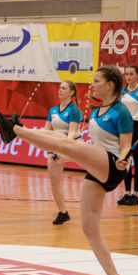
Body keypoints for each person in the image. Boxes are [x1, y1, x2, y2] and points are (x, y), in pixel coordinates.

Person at [0, 65, 133, 275]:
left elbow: (126, 145)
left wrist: (124, 158)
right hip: (99, 168)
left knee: (68, 142)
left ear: (110, 85)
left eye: (97, 81)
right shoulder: (97, 112)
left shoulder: (121, 111)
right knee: (89, 228)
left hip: (114, 165)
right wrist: (67, 157)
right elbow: (92, 150)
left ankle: (14, 131)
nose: (93, 84)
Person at [45, 80, 82, 225]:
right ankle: (63, 213)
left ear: (71, 92)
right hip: (55, 145)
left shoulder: (74, 110)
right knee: (54, 182)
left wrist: (64, 147)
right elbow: (47, 131)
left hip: (71, 145)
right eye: (59, 87)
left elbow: (72, 132)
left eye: (63, 88)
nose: (60, 90)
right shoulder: (52, 110)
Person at [117, 65, 138, 206]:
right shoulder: (121, 91)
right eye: (126, 74)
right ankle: (127, 193)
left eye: (131, 74)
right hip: (125, 127)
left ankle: (135, 195)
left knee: (137, 160)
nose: (128, 77)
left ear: (137, 75)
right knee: (125, 160)